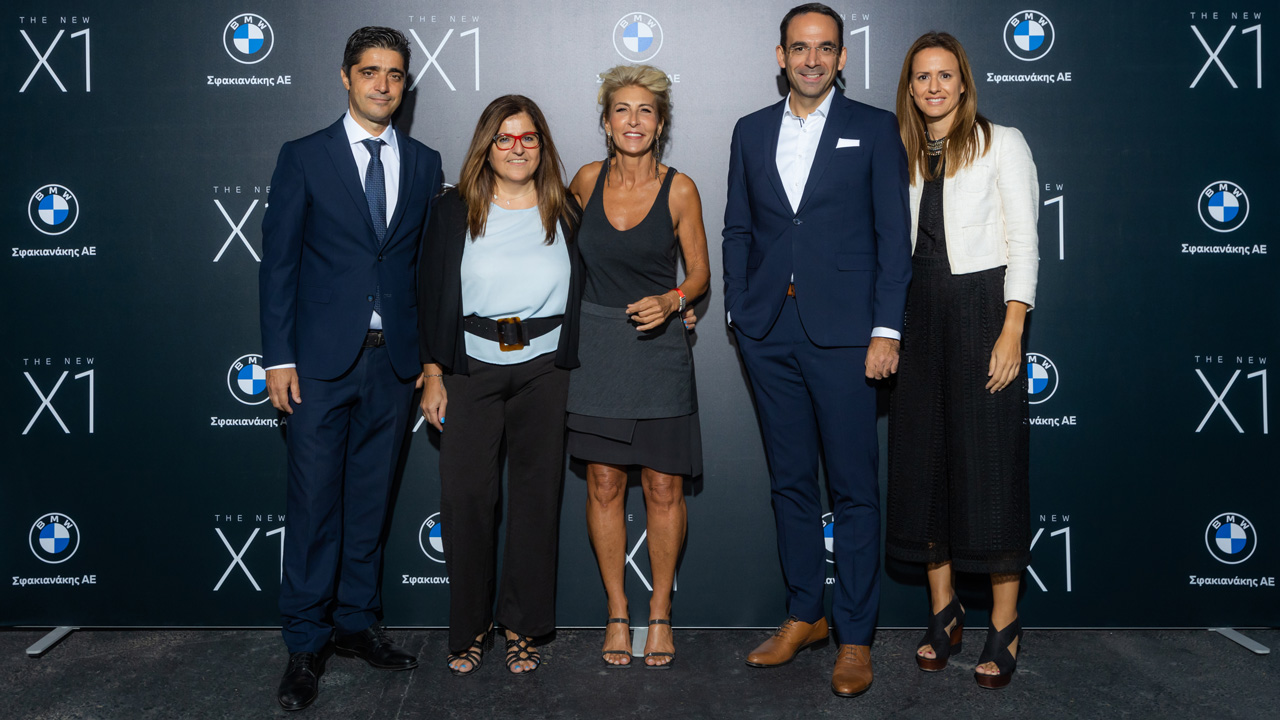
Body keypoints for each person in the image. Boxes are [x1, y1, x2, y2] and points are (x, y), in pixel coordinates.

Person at [723, 3, 911, 697]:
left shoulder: (875, 128)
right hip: (769, 331)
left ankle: (855, 637)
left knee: (855, 489)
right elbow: (738, 228)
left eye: (825, 48)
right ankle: (805, 614)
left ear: (841, 57)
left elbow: (894, 237)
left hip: (848, 337)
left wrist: (886, 330)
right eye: (799, 48)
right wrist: (740, 311)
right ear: (781, 56)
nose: (811, 59)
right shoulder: (749, 130)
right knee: (790, 481)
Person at [259, 26, 443, 711]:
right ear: (346, 76)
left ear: (405, 83)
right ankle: (306, 642)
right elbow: (278, 263)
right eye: (370, 71)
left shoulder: (424, 162)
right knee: (314, 505)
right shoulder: (304, 156)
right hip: (317, 364)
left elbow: (423, 270)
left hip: (392, 363)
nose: (382, 85)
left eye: (394, 74)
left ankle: (357, 622)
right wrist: (279, 357)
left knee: (370, 501)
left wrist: (428, 359)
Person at [885, 31, 1039, 689]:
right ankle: (944, 612)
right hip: (917, 313)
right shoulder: (899, 152)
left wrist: (1012, 328)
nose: (934, 87)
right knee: (925, 465)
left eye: (944, 75)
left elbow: (1024, 242)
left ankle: (1005, 623)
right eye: (922, 77)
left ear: (963, 81)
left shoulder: (1004, 142)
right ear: (910, 87)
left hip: (982, 311)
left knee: (990, 468)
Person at [417, 95, 581, 676]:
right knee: (466, 499)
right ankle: (469, 628)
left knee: (536, 500)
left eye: (528, 138)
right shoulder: (452, 209)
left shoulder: (566, 208)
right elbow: (429, 291)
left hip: (546, 371)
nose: (517, 148)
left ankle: (522, 625)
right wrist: (433, 372)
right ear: (486, 146)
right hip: (470, 369)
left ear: (543, 145)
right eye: (504, 138)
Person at [567, 64, 710, 669]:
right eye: (622, 110)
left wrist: (675, 301)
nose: (633, 121)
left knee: (663, 486)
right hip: (597, 350)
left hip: (658, 351)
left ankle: (660, 613)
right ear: (606, 122)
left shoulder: (681, 189)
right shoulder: (584, 181)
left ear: (660, 124)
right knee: (603, 484)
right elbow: (558, 258)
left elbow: (699, 274)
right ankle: (617, 612)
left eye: (645, 111)